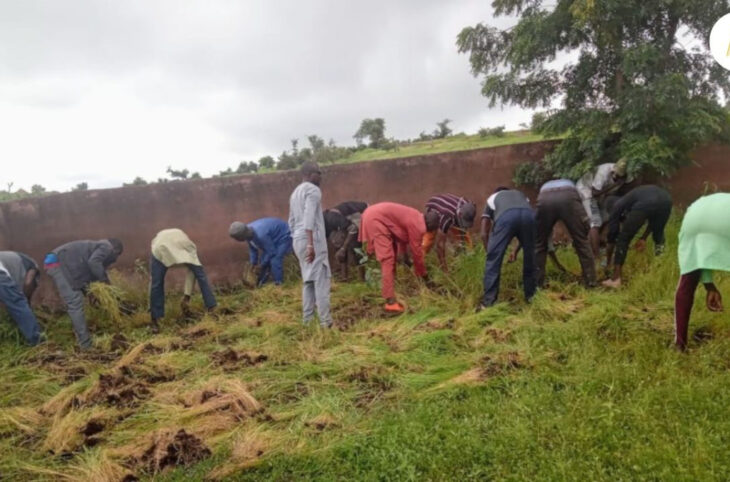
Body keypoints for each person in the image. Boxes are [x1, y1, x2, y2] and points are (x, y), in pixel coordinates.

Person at [359, 202, 439, 313]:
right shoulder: (419, 226)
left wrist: (404, 256)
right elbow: (417, 254)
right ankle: (390, 302)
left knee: (393, 252)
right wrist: (424, 276)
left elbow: (401, 235)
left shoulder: (416, 216)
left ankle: (392, 286)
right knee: (388, 258)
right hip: (375, 219)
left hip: (374, 215)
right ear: (431, 226)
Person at [45, 238, 123, 349]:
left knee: (76, 300)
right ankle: (86, 346)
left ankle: (82, 339)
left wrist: (90, 292)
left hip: (62, 263)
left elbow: (85, 270)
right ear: (115, 250)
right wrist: (106, 283)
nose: (115, 260)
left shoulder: (91, 250)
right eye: (117, 255)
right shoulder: (106, 247)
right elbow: (94, 262)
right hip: (56, 262)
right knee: (75, 302)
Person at [674, 193, 729, 350]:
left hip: (696, 213)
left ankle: (680, 345)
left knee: (688, 278)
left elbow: (700, 256)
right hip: (721, 217)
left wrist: (709, 285)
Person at [289, 161, 333, 328]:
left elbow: (291, 221)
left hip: (298, 240)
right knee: (321, 280)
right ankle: (325, 323)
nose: (320, 176)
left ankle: (307, 322)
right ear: (309, 174)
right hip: (312, 240)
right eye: (318, 173)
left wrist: (299, 240)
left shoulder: (295, 193)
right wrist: (310, 244)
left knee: (308, 281)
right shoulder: (313, 190)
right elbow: (309, 216)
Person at [603, 185, 672, 288]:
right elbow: (652, 220)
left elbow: (612, 235)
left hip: (648, 202)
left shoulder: (616, 206)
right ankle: (660, 269)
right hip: (667, 200)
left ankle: (616, 279)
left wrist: (608, 261)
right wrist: (643, 238)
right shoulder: (630, 198)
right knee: (658, 234)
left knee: (623, 239)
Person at [478, 187, 536, 310]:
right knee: (530, 258)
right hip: (529, 215)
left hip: (506, 217)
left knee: (493, 262)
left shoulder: (492, 198)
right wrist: (515, 250)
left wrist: (490, 252)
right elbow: (523, 232)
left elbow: (484, 233)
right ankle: (531, 298)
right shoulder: (520, 195)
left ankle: (488, 303)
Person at [149, 228, 217, 333]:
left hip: (178, 241)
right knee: (157, 283)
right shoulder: (159, 251)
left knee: (200, 275)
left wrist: (187, 296)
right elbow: (155, 284)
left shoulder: (190, 249)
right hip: (160, 247)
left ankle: (211, 309)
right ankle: (155, 320)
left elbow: (192, 271)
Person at [534, 179, 596, 287]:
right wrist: (580, 237)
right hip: (568, 196)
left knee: (539, 244)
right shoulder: (575, 187)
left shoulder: (544, 187)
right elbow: (586, 223)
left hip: (545, 198)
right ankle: (590, 282)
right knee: (582, 242)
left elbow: (541, 236)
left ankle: (536, 285)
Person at [576, 159, 630, 259]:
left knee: (607, 217)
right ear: (613, 171)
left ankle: (595, 244)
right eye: (616, 176)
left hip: (600, 195)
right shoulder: (603, 172)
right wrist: (614, 185)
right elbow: (594, 192)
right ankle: (596, 256)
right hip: (586, 192)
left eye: (620, 177)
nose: (617, 178)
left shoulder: (624, 175)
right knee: (595, 222)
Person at [229, 218, 293, 286]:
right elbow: (253, 249)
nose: (237, 240)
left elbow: (272, 251)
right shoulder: (247, 232)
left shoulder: (260, 235)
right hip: (272, 240)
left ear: (241, 236)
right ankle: (261, 283)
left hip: (283, 236)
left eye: (237, 238)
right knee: (263, 260)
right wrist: (253, 264)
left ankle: (279, 283)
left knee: (275, 260)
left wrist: (261, 265)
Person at [422, 193, 476, 271]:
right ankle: (419, 263)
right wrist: (445, 270)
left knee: (464, 235)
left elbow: (463, 229)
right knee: (428, 240)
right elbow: (440, 246)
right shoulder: (446, 217)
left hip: (451, 211)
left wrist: (462, 243)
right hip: (434, 207)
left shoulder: (469, 205)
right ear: (459, 214)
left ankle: (470, 258)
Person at [0, 251, 44, 345]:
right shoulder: (32, 266)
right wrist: (25, 303)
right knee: (18, 304)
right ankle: (37, 341)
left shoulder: (12, 259)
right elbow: (28, 283)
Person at [323, 201, 368, 280]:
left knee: (355, 246)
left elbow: (353, 228)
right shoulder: (326, 227)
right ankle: (344, 278)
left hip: (363, 213)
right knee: (338, 242)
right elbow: (336, 242)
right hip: (350, 221)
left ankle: (362, 278)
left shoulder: (331, 218)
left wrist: (343, 249)